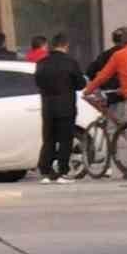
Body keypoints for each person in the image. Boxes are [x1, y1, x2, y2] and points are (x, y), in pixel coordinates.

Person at [84, 27, 127, 176]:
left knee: (111, 133)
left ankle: (109, 165)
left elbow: (91, 72)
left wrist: (94, 89)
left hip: (112, 98)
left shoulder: (106, 55)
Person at [35, 32, 86, 184]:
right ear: (65, 45)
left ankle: (45, 172)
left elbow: (38, 82)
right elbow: (80, 84)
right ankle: (63, 172)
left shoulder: (42, 63)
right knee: (65, 140)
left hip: (48, 108)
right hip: (66, 107)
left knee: (48, 139)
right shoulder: (70, 62)